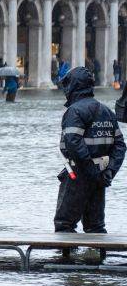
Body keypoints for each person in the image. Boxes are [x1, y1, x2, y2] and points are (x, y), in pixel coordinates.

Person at [55, 66, 125, 233]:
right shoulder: (106, 111)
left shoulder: (75, 111)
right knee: (96, 226)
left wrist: (90, 171)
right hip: (100, 177)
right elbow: (120, 146)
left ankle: (66, 259)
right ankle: (96, 259)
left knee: (64, 224)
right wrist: (109, 172)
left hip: (77, 176)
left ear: (73, 86)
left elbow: (73, 142)